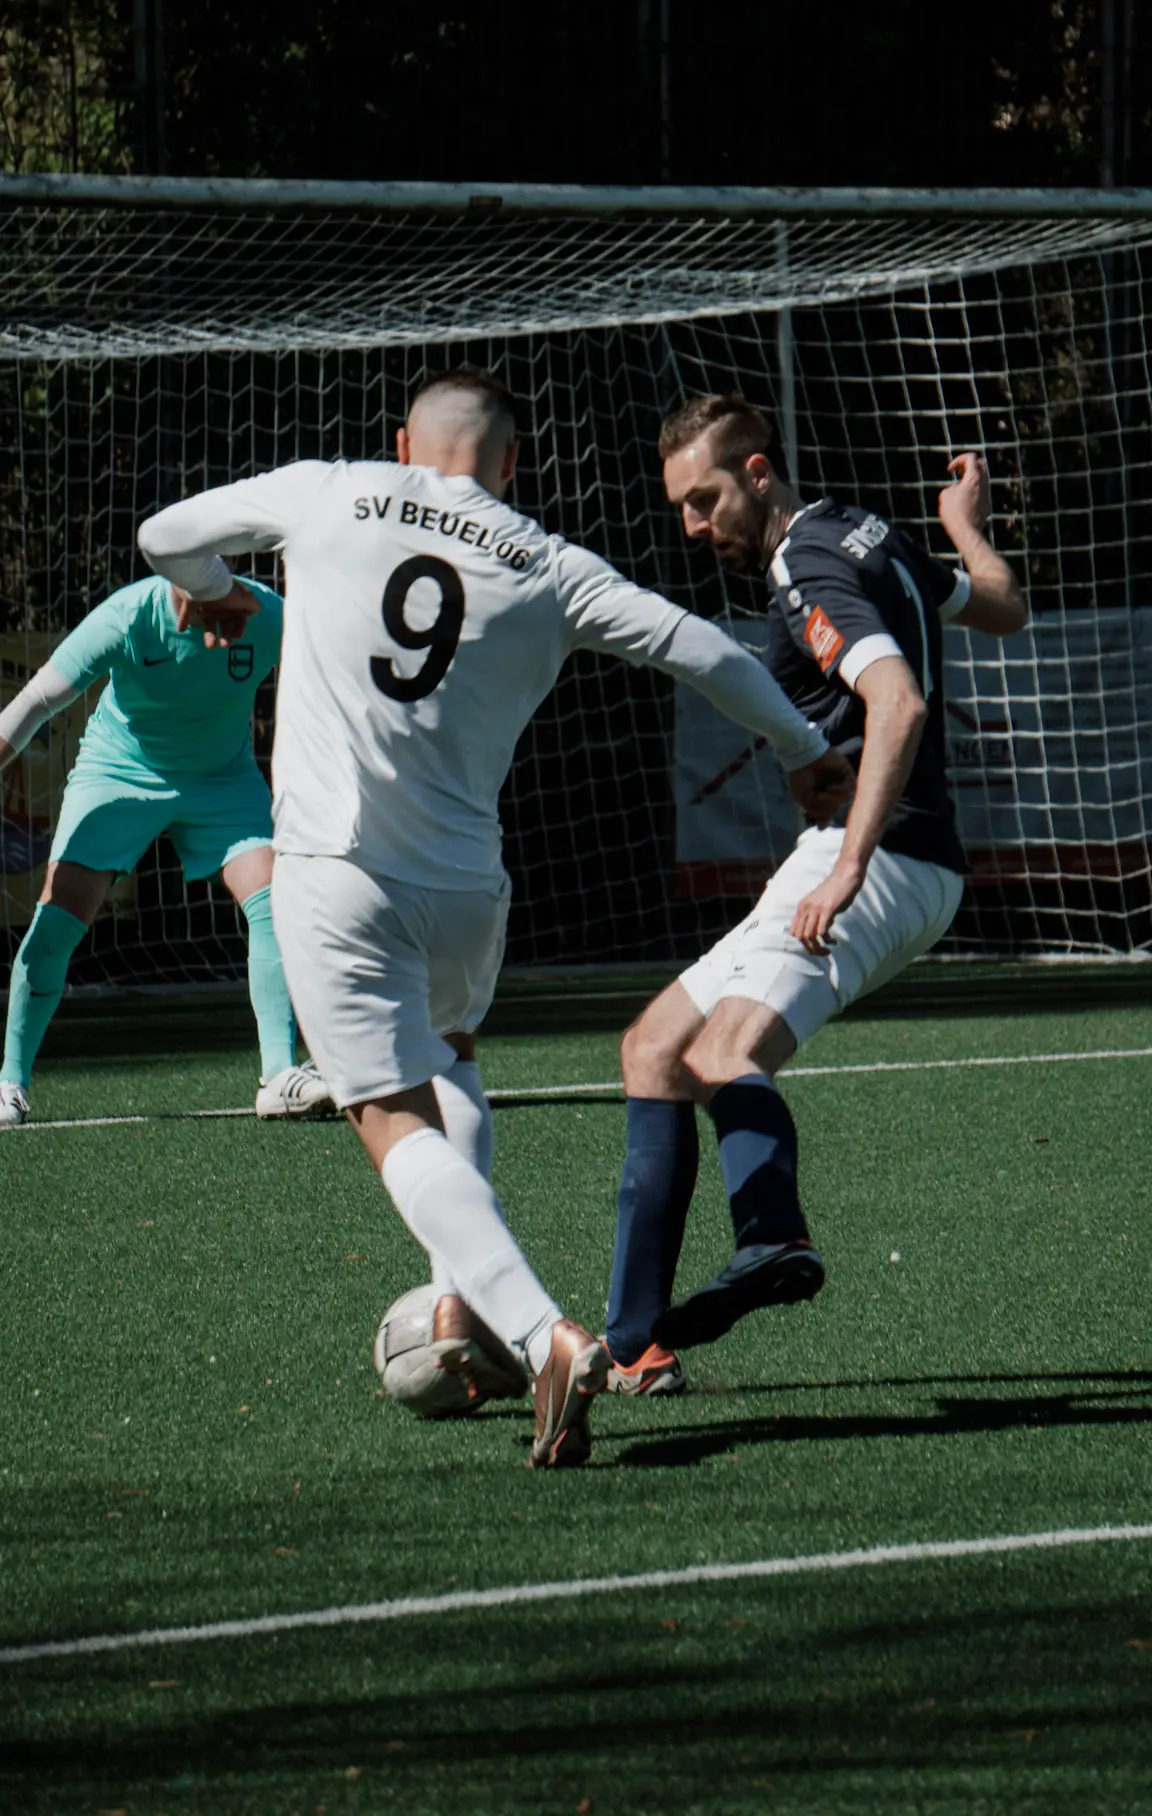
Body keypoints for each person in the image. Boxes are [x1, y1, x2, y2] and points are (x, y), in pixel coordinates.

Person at [135, 367, 854, 1470]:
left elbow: (163, 535)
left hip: (336, 875)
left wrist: (220, 583)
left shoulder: (331, 488)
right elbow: (702, 650)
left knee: (384, 1116)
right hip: (469, 894)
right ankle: (459, 1294)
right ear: (513, 463)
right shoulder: (549, 563)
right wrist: (807, 753)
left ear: (401, 441)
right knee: (451, 1066)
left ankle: (539, 1331)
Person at [603, 392, 1028, 1391]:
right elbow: (1005, 605)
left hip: (880, 858)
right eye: (679, 507)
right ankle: (633, 1344)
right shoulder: (865, 530)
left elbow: (899, 700)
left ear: (758, 470)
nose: (693, 524)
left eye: (705, 498)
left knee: (721, 1050)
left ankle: (773, 1237)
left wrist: (848, 863)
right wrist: (965, 532)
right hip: (890, 856)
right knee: (654, 1047)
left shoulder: (805, 568)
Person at [0, 575, 332, 1126]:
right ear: (173, 596)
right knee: (57, 920)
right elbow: (34, 702)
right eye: (192, 608)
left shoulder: (269, 613)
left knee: (277, 898)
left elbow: (342, 667)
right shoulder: (125, 617)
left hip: (222, 777)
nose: (204, 621)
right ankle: (9, 1083)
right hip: (119, 772)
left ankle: (279, 1077)